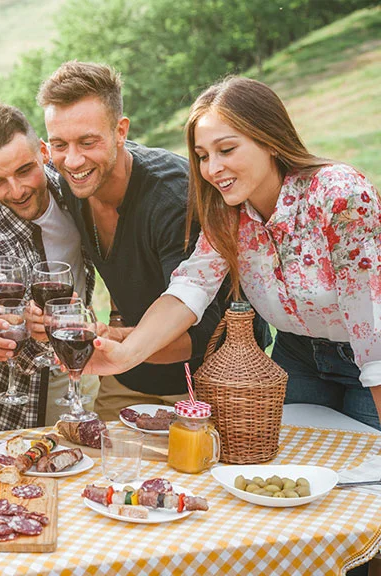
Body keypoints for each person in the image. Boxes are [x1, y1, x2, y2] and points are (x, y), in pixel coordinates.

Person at [85, 76, 381, 431]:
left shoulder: (338, 194)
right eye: (202, 156)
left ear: (270, 140)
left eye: (226, 150)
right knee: (296, 468)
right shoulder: (228, 213)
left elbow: (372, 326)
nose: (212, 169)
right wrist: (123, 357)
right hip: (298, 356)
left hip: (370, 357)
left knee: (368, 474)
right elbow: (188, 290)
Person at [36, 61, 270, 422]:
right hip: (128, 373)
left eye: (87, 141)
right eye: (59, 144)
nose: (72, 159)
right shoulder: (69, 177)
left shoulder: (174, 201)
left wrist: (117, 339)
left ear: (120, 130)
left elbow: (202, 333)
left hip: (208, 383)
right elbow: (11, 183)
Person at [0, 101, 97, 431]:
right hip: (28, 394)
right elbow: (7, 339)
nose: (16, 190)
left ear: (44, 153)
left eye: (24, 171)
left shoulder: (73, 185)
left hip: (84, 357)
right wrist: (28, 325)